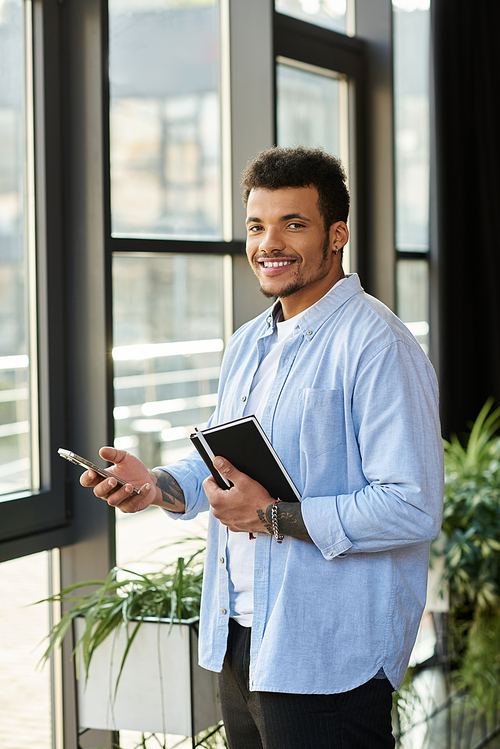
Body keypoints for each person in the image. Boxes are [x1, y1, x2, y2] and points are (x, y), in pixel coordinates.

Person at [81, 146, 444, 749]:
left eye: (292, 224)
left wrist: (271, 517)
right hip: (244, 636)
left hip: (331, 652)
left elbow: (411, 506)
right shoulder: (248, 342)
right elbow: (229, 466)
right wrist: (156, 487)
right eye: (256, 225)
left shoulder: (379, 344)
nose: (268, 243)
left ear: (337, 235)